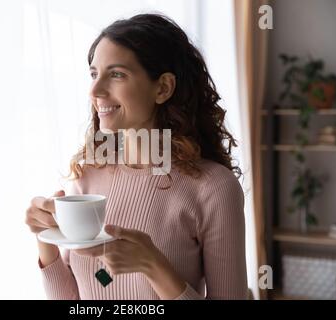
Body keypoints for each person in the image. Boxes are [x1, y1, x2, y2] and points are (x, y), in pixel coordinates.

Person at [25, 13, 248, 300]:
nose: (95, 90)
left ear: (163, 87)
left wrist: (153, 265)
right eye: (94, 74)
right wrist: (46, 239)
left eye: (116, 74)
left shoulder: (213, 187)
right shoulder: (89, 175)